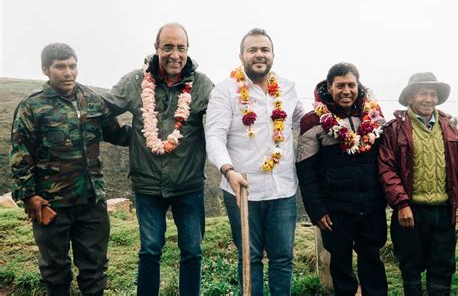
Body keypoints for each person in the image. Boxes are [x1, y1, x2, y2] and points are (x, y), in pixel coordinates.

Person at [101, 23, 213, 295]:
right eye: (168, 47)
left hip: (188, 185)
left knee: (192, 252)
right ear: (156, 49)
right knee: (150, 250)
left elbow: (223, 122)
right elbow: (103, 108)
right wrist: (125, 136)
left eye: (181, 48)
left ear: (187, 50)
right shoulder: (134, 82)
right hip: (147, 185)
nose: (175, 54)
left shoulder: (202, 85)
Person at [10, 43, 130, 296]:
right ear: (46, 69)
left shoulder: (92, 100)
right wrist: (29, 195)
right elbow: (21, 155)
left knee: (94, 271)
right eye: (60, 67)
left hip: (91, 202)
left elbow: (116, 134)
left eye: (72, 66)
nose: (68, 73)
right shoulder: (32, 106)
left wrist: (155, 133)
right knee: (55, 272)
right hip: (52, 204)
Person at [205, 28, 305, 295]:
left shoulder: (288, 88)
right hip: (242, 190)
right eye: (253, 50)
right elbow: (214, 136)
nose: (259, 54)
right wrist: (228, 171)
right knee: (249, 260)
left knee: (282, 259)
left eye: (265, 49)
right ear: (241, 56)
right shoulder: (225, 91)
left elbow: (303, 123)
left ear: (273, 54)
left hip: (282, 189)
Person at [296, 62, 388, 295]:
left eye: (351, 85)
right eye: (340, 86)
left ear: (358, 86)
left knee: (373, 264)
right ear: (329, 87)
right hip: (335, 211)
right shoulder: (312, 121)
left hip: (371, 207)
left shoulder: (373, 115)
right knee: (341, 269)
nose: (346, 91)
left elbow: (386, 160)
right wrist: (317, 211)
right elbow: (306, 172)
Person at [378, 72, 458, 295]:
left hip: (443, 211)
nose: (429, 99)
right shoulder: (394, 129)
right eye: (423, 93)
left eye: (433, 94)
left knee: (442, 268)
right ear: (410, 98)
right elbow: (387, 168)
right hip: (410, 212)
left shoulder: (449, 128)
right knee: (410, 268)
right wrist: (401, 204)